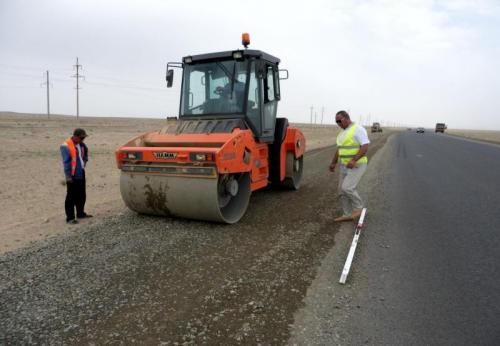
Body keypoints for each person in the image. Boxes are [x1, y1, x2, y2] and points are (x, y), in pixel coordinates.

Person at [329, 110, 370, 222]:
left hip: (357, 164)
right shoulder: (342, 133)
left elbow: (365, 146)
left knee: (347, 187)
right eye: (336, 121)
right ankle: (347, 214)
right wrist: (333, 162)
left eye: (340, 121)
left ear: (347, 118)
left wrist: (354, 160)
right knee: (341, 191)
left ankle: (358, 208)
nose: (338, 123)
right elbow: (339, 149)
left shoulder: (358, 129)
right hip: (344, 165)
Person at [60, 128, 92, 224]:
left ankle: (80, 213)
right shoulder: (65, 146)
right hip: (73, 175)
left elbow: (85, 152)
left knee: (81, 194)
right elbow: (66, 162)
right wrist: (68, 176)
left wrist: (85, 160)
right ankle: (70, 218)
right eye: (81, 138)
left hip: (81, 172)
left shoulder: (81, 144)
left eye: (84, 138)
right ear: (75, 136)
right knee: (71, 196)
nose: (83, 140)